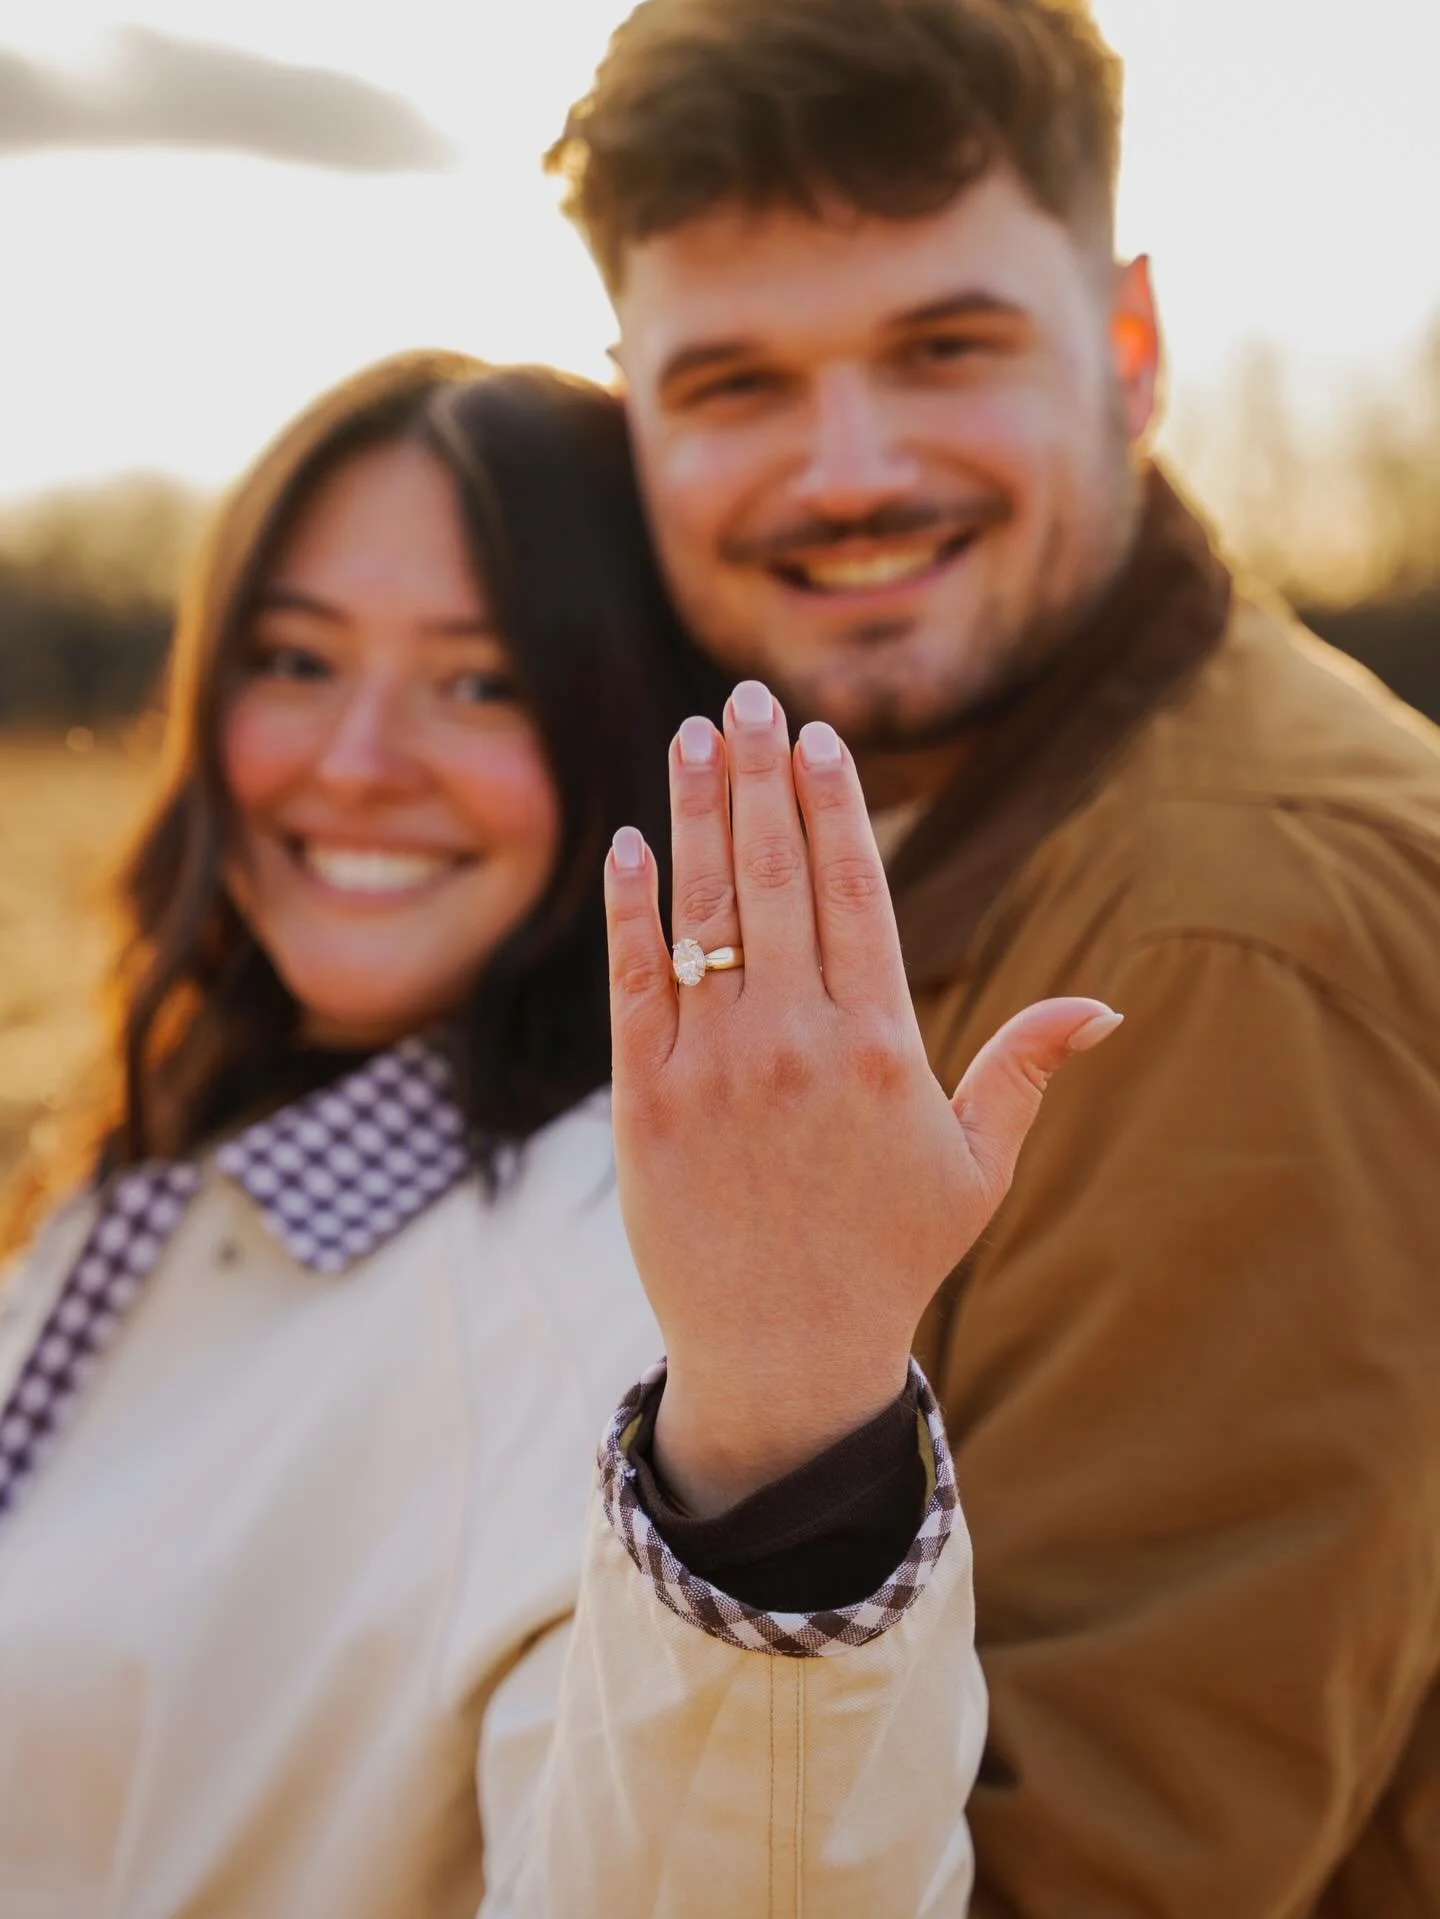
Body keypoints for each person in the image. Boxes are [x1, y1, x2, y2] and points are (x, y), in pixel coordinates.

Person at [0, 348, 1118, 1915]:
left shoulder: (625, 1290)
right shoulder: (192, 1161)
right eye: (296, 659)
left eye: (481, 682)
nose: (355, 760)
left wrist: (779, 1429)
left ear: (621, 727)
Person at [549, 0, 1440, 1911]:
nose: (848, 469)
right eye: (734, 384)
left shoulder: (1227, 936)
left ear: (1129, 346)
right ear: (633, 411)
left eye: (943, 348)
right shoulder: (865, 821)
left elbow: (1086, 1868)